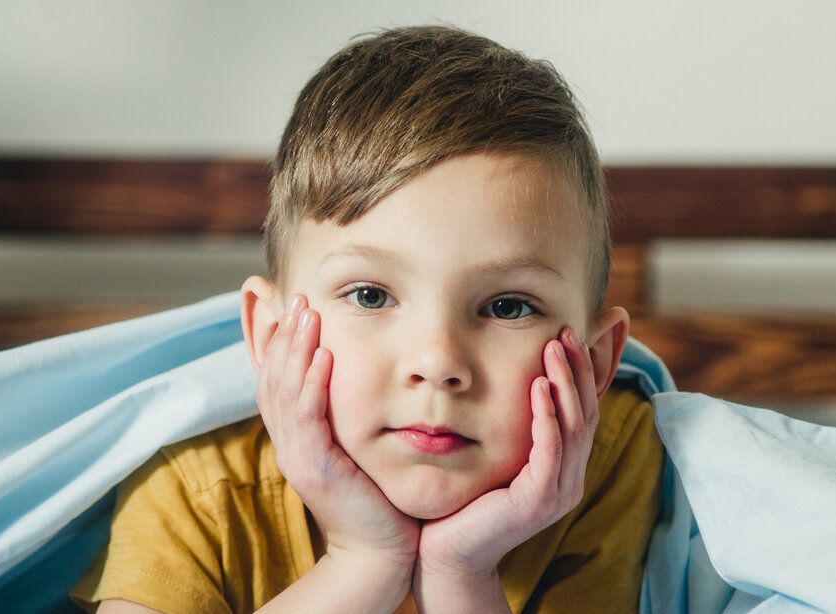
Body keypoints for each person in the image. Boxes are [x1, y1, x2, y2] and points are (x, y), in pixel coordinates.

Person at [71, 24, 664, 613]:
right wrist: (362, 561)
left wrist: (461, 574)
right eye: (370, 296)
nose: (437, 362)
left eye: (508, 306)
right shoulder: (195, 477)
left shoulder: (608, 459)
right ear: (271, 335)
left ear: (595, 361)